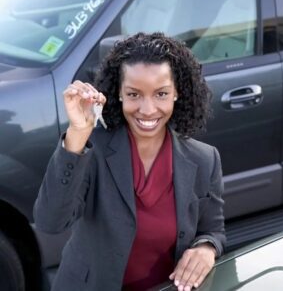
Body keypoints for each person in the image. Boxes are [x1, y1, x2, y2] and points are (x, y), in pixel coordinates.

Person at [34, 32, 226, 291]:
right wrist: (78, 133)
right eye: (134, 94)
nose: (147, 110)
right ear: (119, 94)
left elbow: (213, 230)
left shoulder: (204, 159)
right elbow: (50, 222)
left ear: (177, 93)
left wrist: (206, 248)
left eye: (161, 94)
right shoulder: (93, 151)